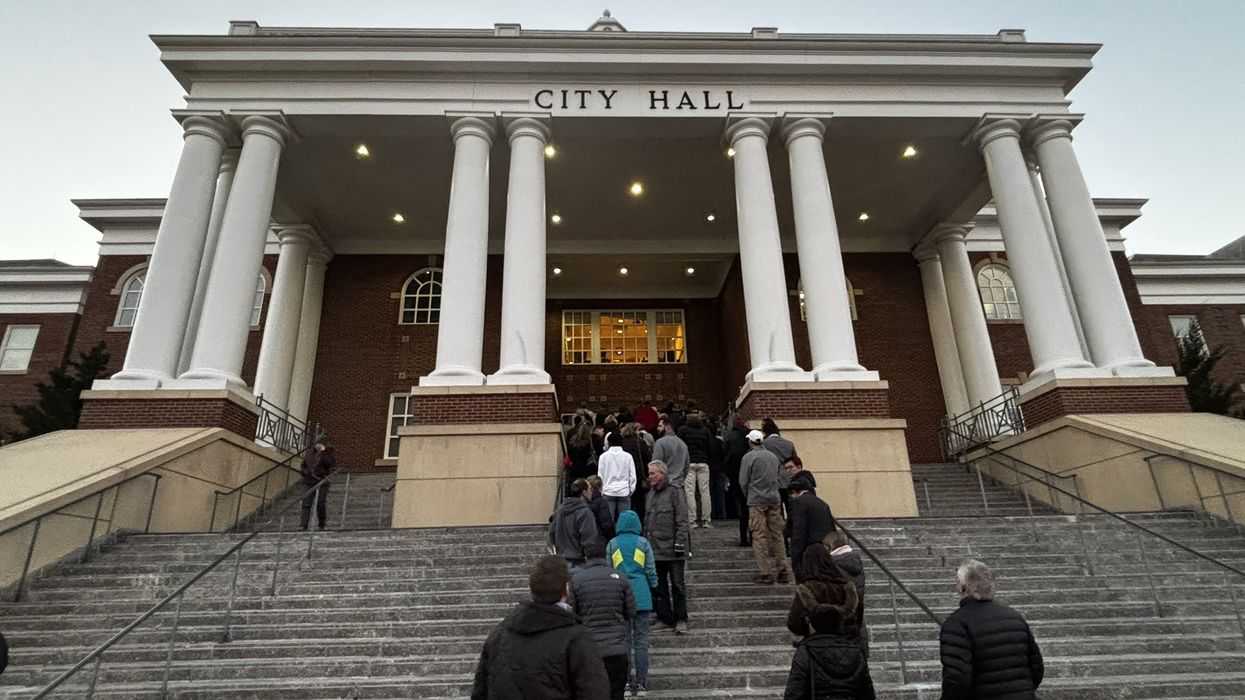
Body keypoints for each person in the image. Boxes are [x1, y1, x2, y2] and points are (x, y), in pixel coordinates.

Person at [471, 555, 610, 699]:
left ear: (532, 590)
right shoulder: (576, 638)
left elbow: (480, 691)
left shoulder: (499, 635)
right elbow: (594, 691)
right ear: (566, 590)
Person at [939, 560, 1044, 700]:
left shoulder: (956, 623)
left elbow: (957, 678)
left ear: (961, 588)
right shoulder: (1014, 617)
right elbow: (1036, 667)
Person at [571, 537, 637, 700]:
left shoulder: (577, 580)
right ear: (606, 555)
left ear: (586, 556)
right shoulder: (620, 577)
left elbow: (573, 614)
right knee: (616, 694)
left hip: (590, 651)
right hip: (617, 649)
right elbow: (631, 611)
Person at [608, 510, 659, 697]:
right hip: (642, 595)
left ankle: (627, 683)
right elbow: (650, 569)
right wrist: (654, 584)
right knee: (641, 641)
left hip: (620, 596)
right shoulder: (643, 543)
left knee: (625, 642)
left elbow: (609, 568)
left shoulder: (613, 544)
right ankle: (642, 683)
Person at [783, 601, 875, 700]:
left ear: (813, 626)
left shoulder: (806, 650)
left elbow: (795, 692)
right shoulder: (856, 651)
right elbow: (867, 692)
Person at [644, 460, 691, 634]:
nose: (650, 477)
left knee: (678, 585)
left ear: (663, 474)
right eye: (649, 474)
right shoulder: (650, 494)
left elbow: (682, 520)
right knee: (658, 585)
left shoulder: (675, 492)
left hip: (674, 549)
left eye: (653, 474)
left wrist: (680, 543)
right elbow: (647, 522)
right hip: (655, 548)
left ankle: (681, 618)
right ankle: (664, 617)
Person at [740, 430, 788, 584]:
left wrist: (748, 494)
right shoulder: (773, 456)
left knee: (759, 535)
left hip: (756, 500)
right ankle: (783, 569)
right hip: (774, 499)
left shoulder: (749, 457)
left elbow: (743, 481)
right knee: (777, 534)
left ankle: (765, 572)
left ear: (750, 441)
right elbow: (780, 477)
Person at [786, 544, 860, 640]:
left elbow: (794, 623)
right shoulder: (845, 587)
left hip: (815, 641)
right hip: (845, 641)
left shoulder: (806, 589)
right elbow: (857, 618)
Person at [828, 530, 868, 657]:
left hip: (840, 627)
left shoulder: (834, 566)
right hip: (857, 623)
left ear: (831, 546)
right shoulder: (855, 562)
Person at [787, 482, 837, 579]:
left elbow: (799, 531)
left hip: (809, 552)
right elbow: (832, 528)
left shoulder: (799, 502)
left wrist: (796, 558)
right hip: (825, 551)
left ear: (793, 492)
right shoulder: (822, 503)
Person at [549, 478, 600, 566]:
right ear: (584, 492)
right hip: (579, 563)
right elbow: (589, 539)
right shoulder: (585, 512)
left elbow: (551, 536)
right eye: (590, 489)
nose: (592, 492)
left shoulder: (559, 512)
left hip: (561, 563)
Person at [677, 413, 715, 528]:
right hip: (703, 462)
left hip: (689, 463)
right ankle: (706, 520)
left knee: (689, 492)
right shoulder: (705, 430)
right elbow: (711, 446)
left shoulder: (683, 430)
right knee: (705, 492)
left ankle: (692, 520)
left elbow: (680, 446)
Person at [722, 417, 751, 547]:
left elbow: (724, 450)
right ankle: (753, 536)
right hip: (749, 474)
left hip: (734, 472)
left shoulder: (729, 435)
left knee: (741, 505)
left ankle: (743, 537)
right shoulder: (748, 434)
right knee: (749, 508)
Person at [597, 432, 638, 522]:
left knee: (609, 522)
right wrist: (630, 489)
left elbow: (600, 475)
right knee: (625, 521)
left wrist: (602, 490)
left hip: (608, 491)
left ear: (609, 442)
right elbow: (632, 476)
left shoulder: (603, 457)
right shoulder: (628, 456)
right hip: (624, 491)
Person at [299, 438, 335, 531]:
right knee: (306, 504)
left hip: (322, 482)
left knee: (320, 503)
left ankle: (321, 523)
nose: (317, 446)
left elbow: (330, 464)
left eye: (319, 444)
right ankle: (303, 525)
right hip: (308, 481)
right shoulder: (309, 452)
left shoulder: (328, 453)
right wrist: (305, 472)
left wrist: (324, 452)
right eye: (316, 443)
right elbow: (304, 465)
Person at [619, 423, 653, 525]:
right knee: (639, 504)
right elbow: (647, 457)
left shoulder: (621, 442)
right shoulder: (639, 442)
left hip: (624, 476)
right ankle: (639, 525)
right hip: (638, 475)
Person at [651, 416, 690, 490]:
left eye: (660, 426)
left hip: (664, 487)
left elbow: (655, 465)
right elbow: (686, 467)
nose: (657, 429)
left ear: (667, 427)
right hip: (679, 487)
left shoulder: (660, 443)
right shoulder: (683, 444)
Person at [566, 415, 598, 495]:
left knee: (575, 490)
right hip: (588, 469)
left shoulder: (573, 441)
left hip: (574, 469)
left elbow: (569, 454)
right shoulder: (592, 441)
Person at [586, 475, 617, 539]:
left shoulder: (583, 501)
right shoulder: (601, 502)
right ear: (599, 487)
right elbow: (606, 524)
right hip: (599, 538)